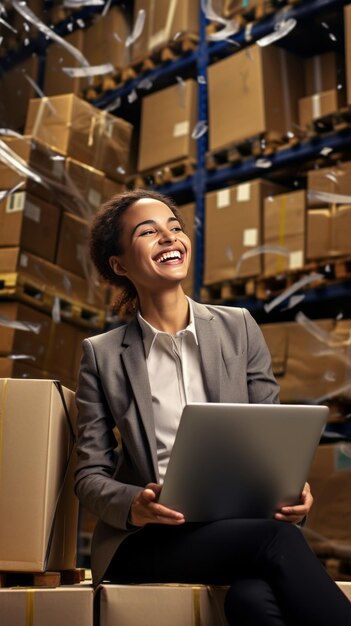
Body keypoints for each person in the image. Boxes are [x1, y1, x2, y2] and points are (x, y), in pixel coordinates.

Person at [75, 189, 351, 625]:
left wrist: (295, 491)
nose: (169, 238)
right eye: (149, 232)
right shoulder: (102, 354)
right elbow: (88, 475)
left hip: (238, 525)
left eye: (175, 228)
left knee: (251, 601)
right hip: (152, 538)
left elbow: (274, 435)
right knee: (276, 543)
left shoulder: (238, 327)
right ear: (120, 265)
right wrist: (135, 503)